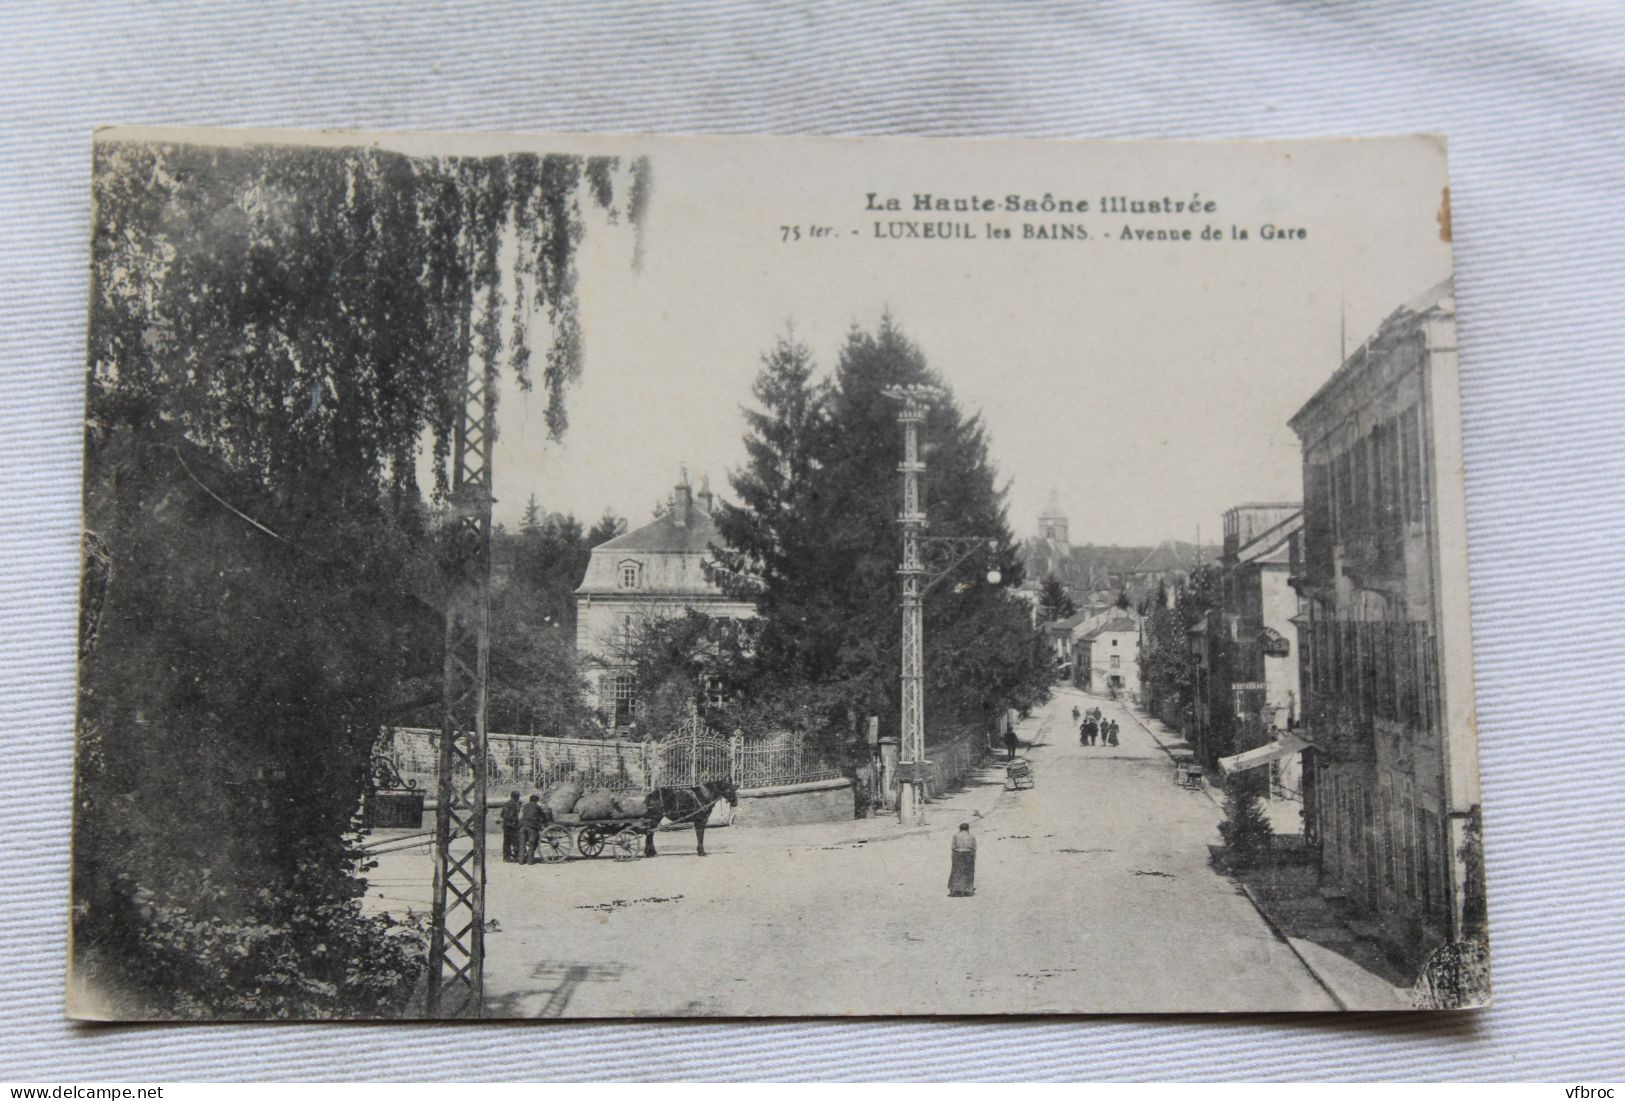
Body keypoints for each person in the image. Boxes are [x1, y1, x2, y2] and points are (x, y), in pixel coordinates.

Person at [948, 822, 977, 897]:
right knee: (968, 872)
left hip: (958, 855)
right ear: (968, 829)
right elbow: (974, 848)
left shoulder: (955, 836)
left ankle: (956, 889)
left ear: (960, 829)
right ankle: (967, 890)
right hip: (968, 854)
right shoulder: (971, 836)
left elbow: (953, 847)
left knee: (957, 872)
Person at [518, 794, 546, 864]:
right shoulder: (537, 807)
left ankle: (521, 861)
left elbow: (521, 815)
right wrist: (545, 822)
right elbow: (543, 816)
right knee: (532, 843)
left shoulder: (525, 806)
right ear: (536, 800)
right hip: (532, 826)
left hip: (522, 826)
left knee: (522, 844)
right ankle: (530, 860)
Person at [499, 791, 523, 863]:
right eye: (518, 797)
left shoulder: (506, 803)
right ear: (516, 797)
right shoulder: (514, 805)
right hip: (512, 826)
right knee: (515, 841)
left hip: (505, 825)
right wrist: (516, 822)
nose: (518, 799)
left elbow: (502, 814)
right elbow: (512, 816)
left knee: (506, 842)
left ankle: (506, 858)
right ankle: (516, 857)